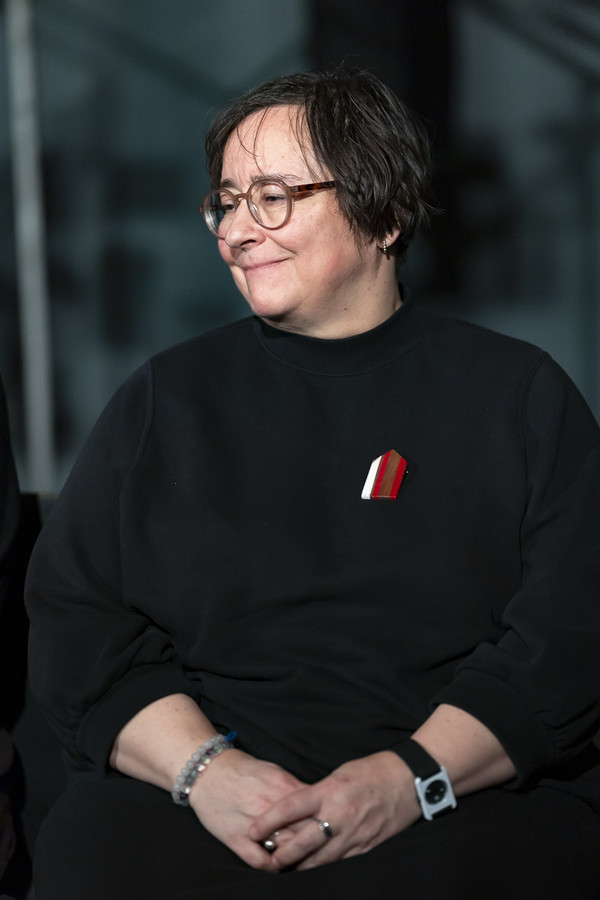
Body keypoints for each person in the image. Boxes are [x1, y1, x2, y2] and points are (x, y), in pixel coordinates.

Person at [26, 69, 600, 899]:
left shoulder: (516, 395)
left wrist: (406, 781)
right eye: (226, 202)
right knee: (96, 857)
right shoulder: (166, 400)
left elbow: (570, 634)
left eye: (273, 197)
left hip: (453, 798)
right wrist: (207, 774)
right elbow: (79, 624)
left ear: (385, 214)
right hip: (201, 799)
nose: (237, 231)